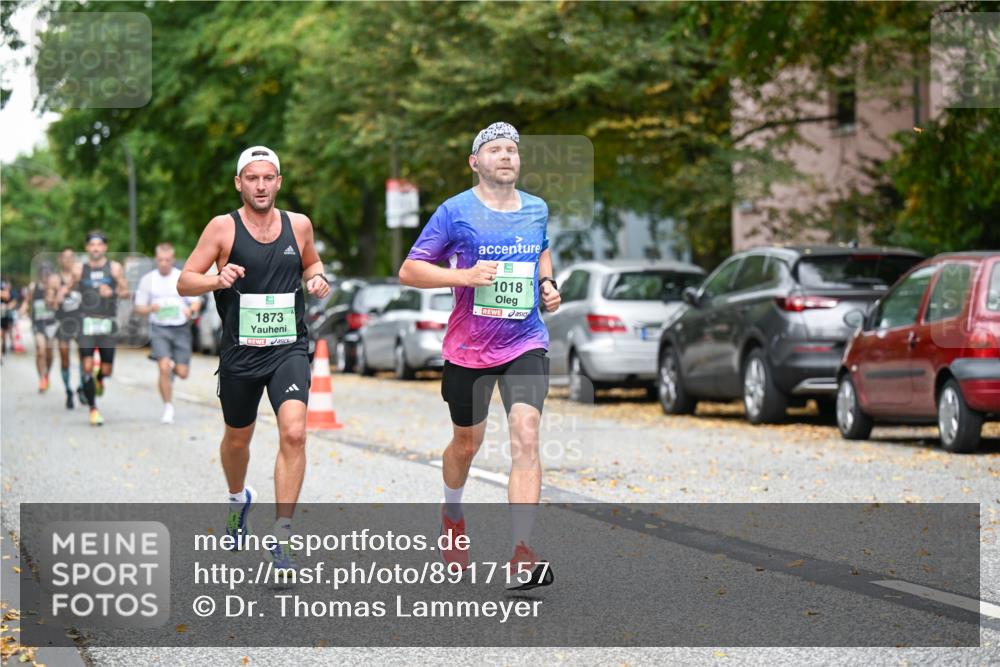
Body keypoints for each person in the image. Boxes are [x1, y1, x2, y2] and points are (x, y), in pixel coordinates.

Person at [398, 121, 561, 590]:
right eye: (495, 150)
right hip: (469, 348)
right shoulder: (454, 211)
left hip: (526, 341)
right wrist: (464, 277)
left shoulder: (536, 208)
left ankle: (521, 554)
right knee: (467, 444)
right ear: (475, 162)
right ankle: (452, 515)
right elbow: (410, 270)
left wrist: (547, 284)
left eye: (513, 149)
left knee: (526, 435)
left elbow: (541, 252)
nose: (507, 156)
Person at [178, 146, 330, 570]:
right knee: (237, 439)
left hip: (288, 348)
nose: (260, 186)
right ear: (239, 183)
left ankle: (282, 534)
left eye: (268, 178)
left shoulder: (298, 225)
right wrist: (215, 279)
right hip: (240, 355)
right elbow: (185, 282)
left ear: (278, 182)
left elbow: (311, 262)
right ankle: (236, 498)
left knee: (295, 433)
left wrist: (316, 279)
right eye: (252, 178)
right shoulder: (222, 228)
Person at [134, 243, 201, 423]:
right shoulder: (148, 280)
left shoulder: (181, 277)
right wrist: (150, 308)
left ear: (173, 259)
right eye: (160, 260)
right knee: (163, 366)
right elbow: (138, 308)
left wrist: (191, 310)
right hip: (159, 329)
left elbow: (196, 302)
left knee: (182, 372)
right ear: (156, 259)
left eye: (168, 260)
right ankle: (168, 407)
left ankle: (169, 374)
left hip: (181, 328)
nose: (164, 263)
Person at [71, 230, 130, 426]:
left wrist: (112, 291)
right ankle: (93, 409)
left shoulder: (114, 268)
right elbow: (69, 291)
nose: (95, 248)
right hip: (86, 321)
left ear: (104, 247)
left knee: (106, 368)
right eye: (92, 245)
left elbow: (125, 292)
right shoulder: (79, 270)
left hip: (107, 322)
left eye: (99, 245)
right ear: (87, 247)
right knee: (87, 366)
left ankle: (99, 379)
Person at [20, 263, 59, 392]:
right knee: (40, 350)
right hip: (38, 323)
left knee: (49, 353)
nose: (45, 276)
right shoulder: (34, 287)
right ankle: (42, 378)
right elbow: (27, 301)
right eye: (43, 273)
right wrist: (24, 307)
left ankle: (47, 374)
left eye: (47, 273)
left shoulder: (55, 287)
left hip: (52, 323)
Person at [53, 247, 84, 409]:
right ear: (60, 259)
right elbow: (50, 302)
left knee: (84, 356)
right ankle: (68, 391)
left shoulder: (81, 277)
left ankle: (81, 387)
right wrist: (57, 297)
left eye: (71, 257)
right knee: (64, 357)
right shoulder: (55, 279)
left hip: (80, 321)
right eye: (65, 257)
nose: (68, 260)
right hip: (64, 322)